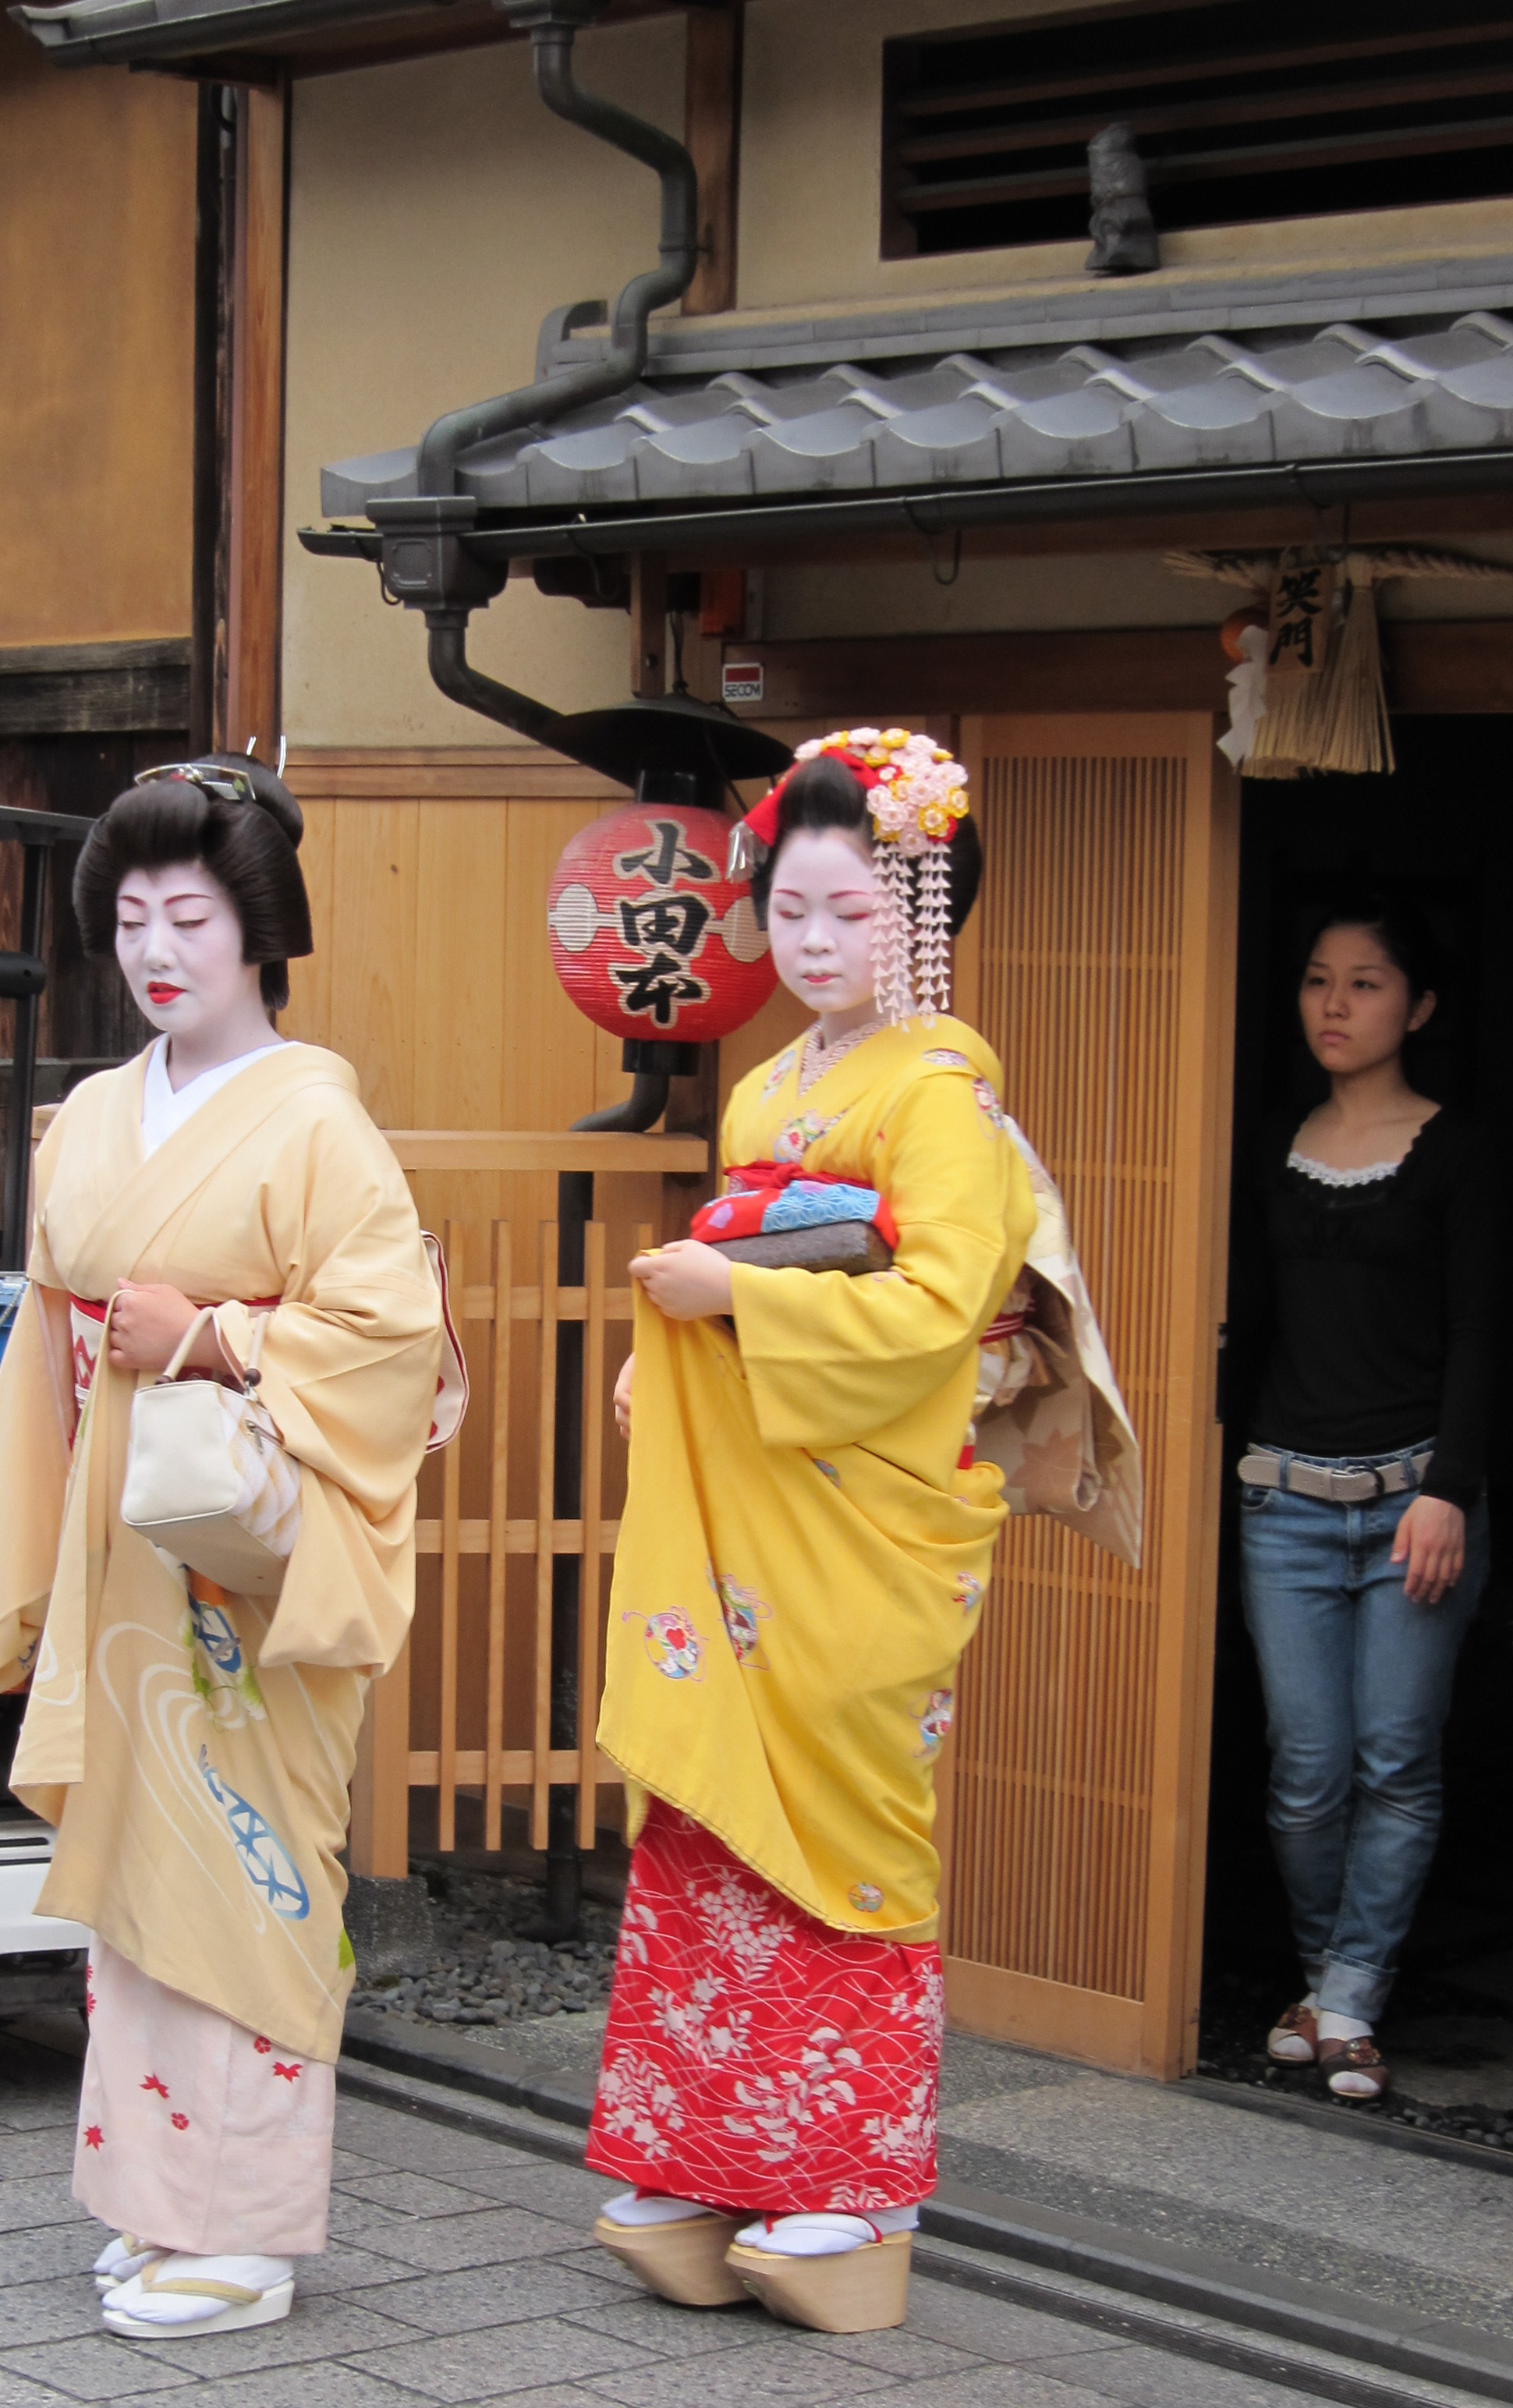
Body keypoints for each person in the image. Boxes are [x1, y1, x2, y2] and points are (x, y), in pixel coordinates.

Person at [0, 756, 442, 2335]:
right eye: (134, 913)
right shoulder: (94, 1109)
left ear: (253, 927)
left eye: (191, 914)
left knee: (254, 1867)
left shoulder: (317, 1120)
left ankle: (249, 2229)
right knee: (141, 1874)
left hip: (248, 1559)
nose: (158, 945)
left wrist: (205, 1331)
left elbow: (394, 1344)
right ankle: (158, 2201)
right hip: (118, 1545)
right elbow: (51, 1328)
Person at [587, 729, 1036, 2335]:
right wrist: (677, 1356)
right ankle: (711, 2159)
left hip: (860, 1527)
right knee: (715, 1818)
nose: (813, 940)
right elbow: (733, 1281)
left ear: (916, 914)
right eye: (789, 906)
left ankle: (851, 2180)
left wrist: (739, 1297)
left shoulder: (940, 1097)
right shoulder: (769, 1088)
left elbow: (938, 1311)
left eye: (851, 910)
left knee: (841, 1825)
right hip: (750, 1517)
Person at [1238, 896, 1491, 2102]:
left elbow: (1486, 1339)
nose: (1335, 1005)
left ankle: (1347, 1999)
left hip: (1413, 1507)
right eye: (1318, 981)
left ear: (1420, 1006)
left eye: (1367, 984)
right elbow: (1238, 1330)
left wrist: (1449, 1488)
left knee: (1396, 1756)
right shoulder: (1270, 1141)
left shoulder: (1461, 1149)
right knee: (1306, 1766)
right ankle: (1326, 1979)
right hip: (1283, 1500)